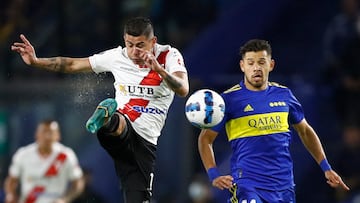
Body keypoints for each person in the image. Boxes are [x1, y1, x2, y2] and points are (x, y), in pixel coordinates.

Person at [11, 17, 189, 202]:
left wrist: (159, 69)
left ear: (153, 41)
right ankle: (107, 116)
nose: (134, 51)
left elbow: (183, 89)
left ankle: (108, 117)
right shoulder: (116, 56)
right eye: (129, 44)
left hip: (146, 142)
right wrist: (37, 61)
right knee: (120, 123)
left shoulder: (169, 55)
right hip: (120, 129)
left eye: (140, 45)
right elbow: (73, 64)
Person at [197, 39, 350, 202]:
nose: (256, 67)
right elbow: (205, 138)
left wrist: (326, 168)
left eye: (261, 62)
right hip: (247, 184)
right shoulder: (228, 100)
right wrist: (213, 174)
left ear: (271, 65)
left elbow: (305, 131)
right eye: (250, 63)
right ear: (242, 66)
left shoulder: (284, 95)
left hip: (283, 185)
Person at [4, 119, 84, 203]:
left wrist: (65, 199)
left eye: (51, 133)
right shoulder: (23, 154)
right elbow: (12, 180)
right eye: (44, 132)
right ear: (36, 134)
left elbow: (78, 183)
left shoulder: (66, 155)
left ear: (58, 135)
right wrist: (10, 195)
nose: (47, 136)